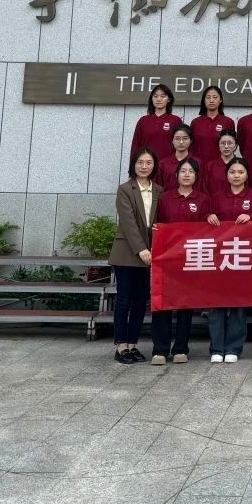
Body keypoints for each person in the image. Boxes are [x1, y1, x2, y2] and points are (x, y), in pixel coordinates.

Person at [151, 158, 209, 365]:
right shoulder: (165, 198)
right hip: (167, 258)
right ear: (176, 175)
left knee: (185, 305)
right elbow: (158, 224)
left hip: (189, 258)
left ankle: (181, 349)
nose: (186, 175)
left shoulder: (202, 199)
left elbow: (205, 228)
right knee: (162, 303)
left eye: (190, 171)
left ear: (196, 176)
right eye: (183, 171)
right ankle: (160, 349)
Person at [205, 158, 252, 363]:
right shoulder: (217, 197)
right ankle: (216, 348)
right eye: (232, 172)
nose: (236, 175)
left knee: (239, 304)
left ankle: (234, 348)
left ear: (247, 175)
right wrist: (208, 216)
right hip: (220, 257)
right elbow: (205, 220)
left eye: (240, 172)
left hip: (244, 256)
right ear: (226, 175)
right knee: (217, 303)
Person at [109, 148, 159, 364]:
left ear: (154, 165)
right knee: (123, 300)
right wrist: (141, 249)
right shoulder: (125, 189)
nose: (144, 166)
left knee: (140, 301)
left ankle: (132, 344)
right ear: (133, 165)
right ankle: (121, 345)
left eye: (148, 162)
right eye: (140, 162)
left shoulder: (159, 191)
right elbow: (128, 222)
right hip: (128, 253)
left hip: (150, 254)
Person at [130, 83, 182, 159]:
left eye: (163, 96)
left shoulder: (175, 120)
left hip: (167, 164)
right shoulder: (143, 121)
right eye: (155, 96)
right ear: (151, 99)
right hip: (146, 164)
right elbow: (135, 145)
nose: (159, 99)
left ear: (169, 99)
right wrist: (133, 163)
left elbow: (180, 146)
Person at [190, 85, 235, 166]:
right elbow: (190, 146)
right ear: (204, 100)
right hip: (198, 166)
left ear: (220, 100)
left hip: (220, 167)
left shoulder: (228, 122)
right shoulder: (195, 123)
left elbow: (232, 146)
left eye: (215, 97)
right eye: (208, 97)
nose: (211, 100)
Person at [155, 124, 195, 192]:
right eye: (177, 138)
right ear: (172, 140)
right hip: (166, 198)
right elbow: (157, 189)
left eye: (185, 138)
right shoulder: (163, 164)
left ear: (191, 140)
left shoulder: (198, 163)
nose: (181, 142)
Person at [204, 132, 239, 196]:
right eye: (223, 143)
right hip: (214, 201)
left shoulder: (241, 165)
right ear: (218, 145)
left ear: (235, 146)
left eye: (230, 143)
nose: (226, 146)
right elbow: (205, 189)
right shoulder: (210, 166)